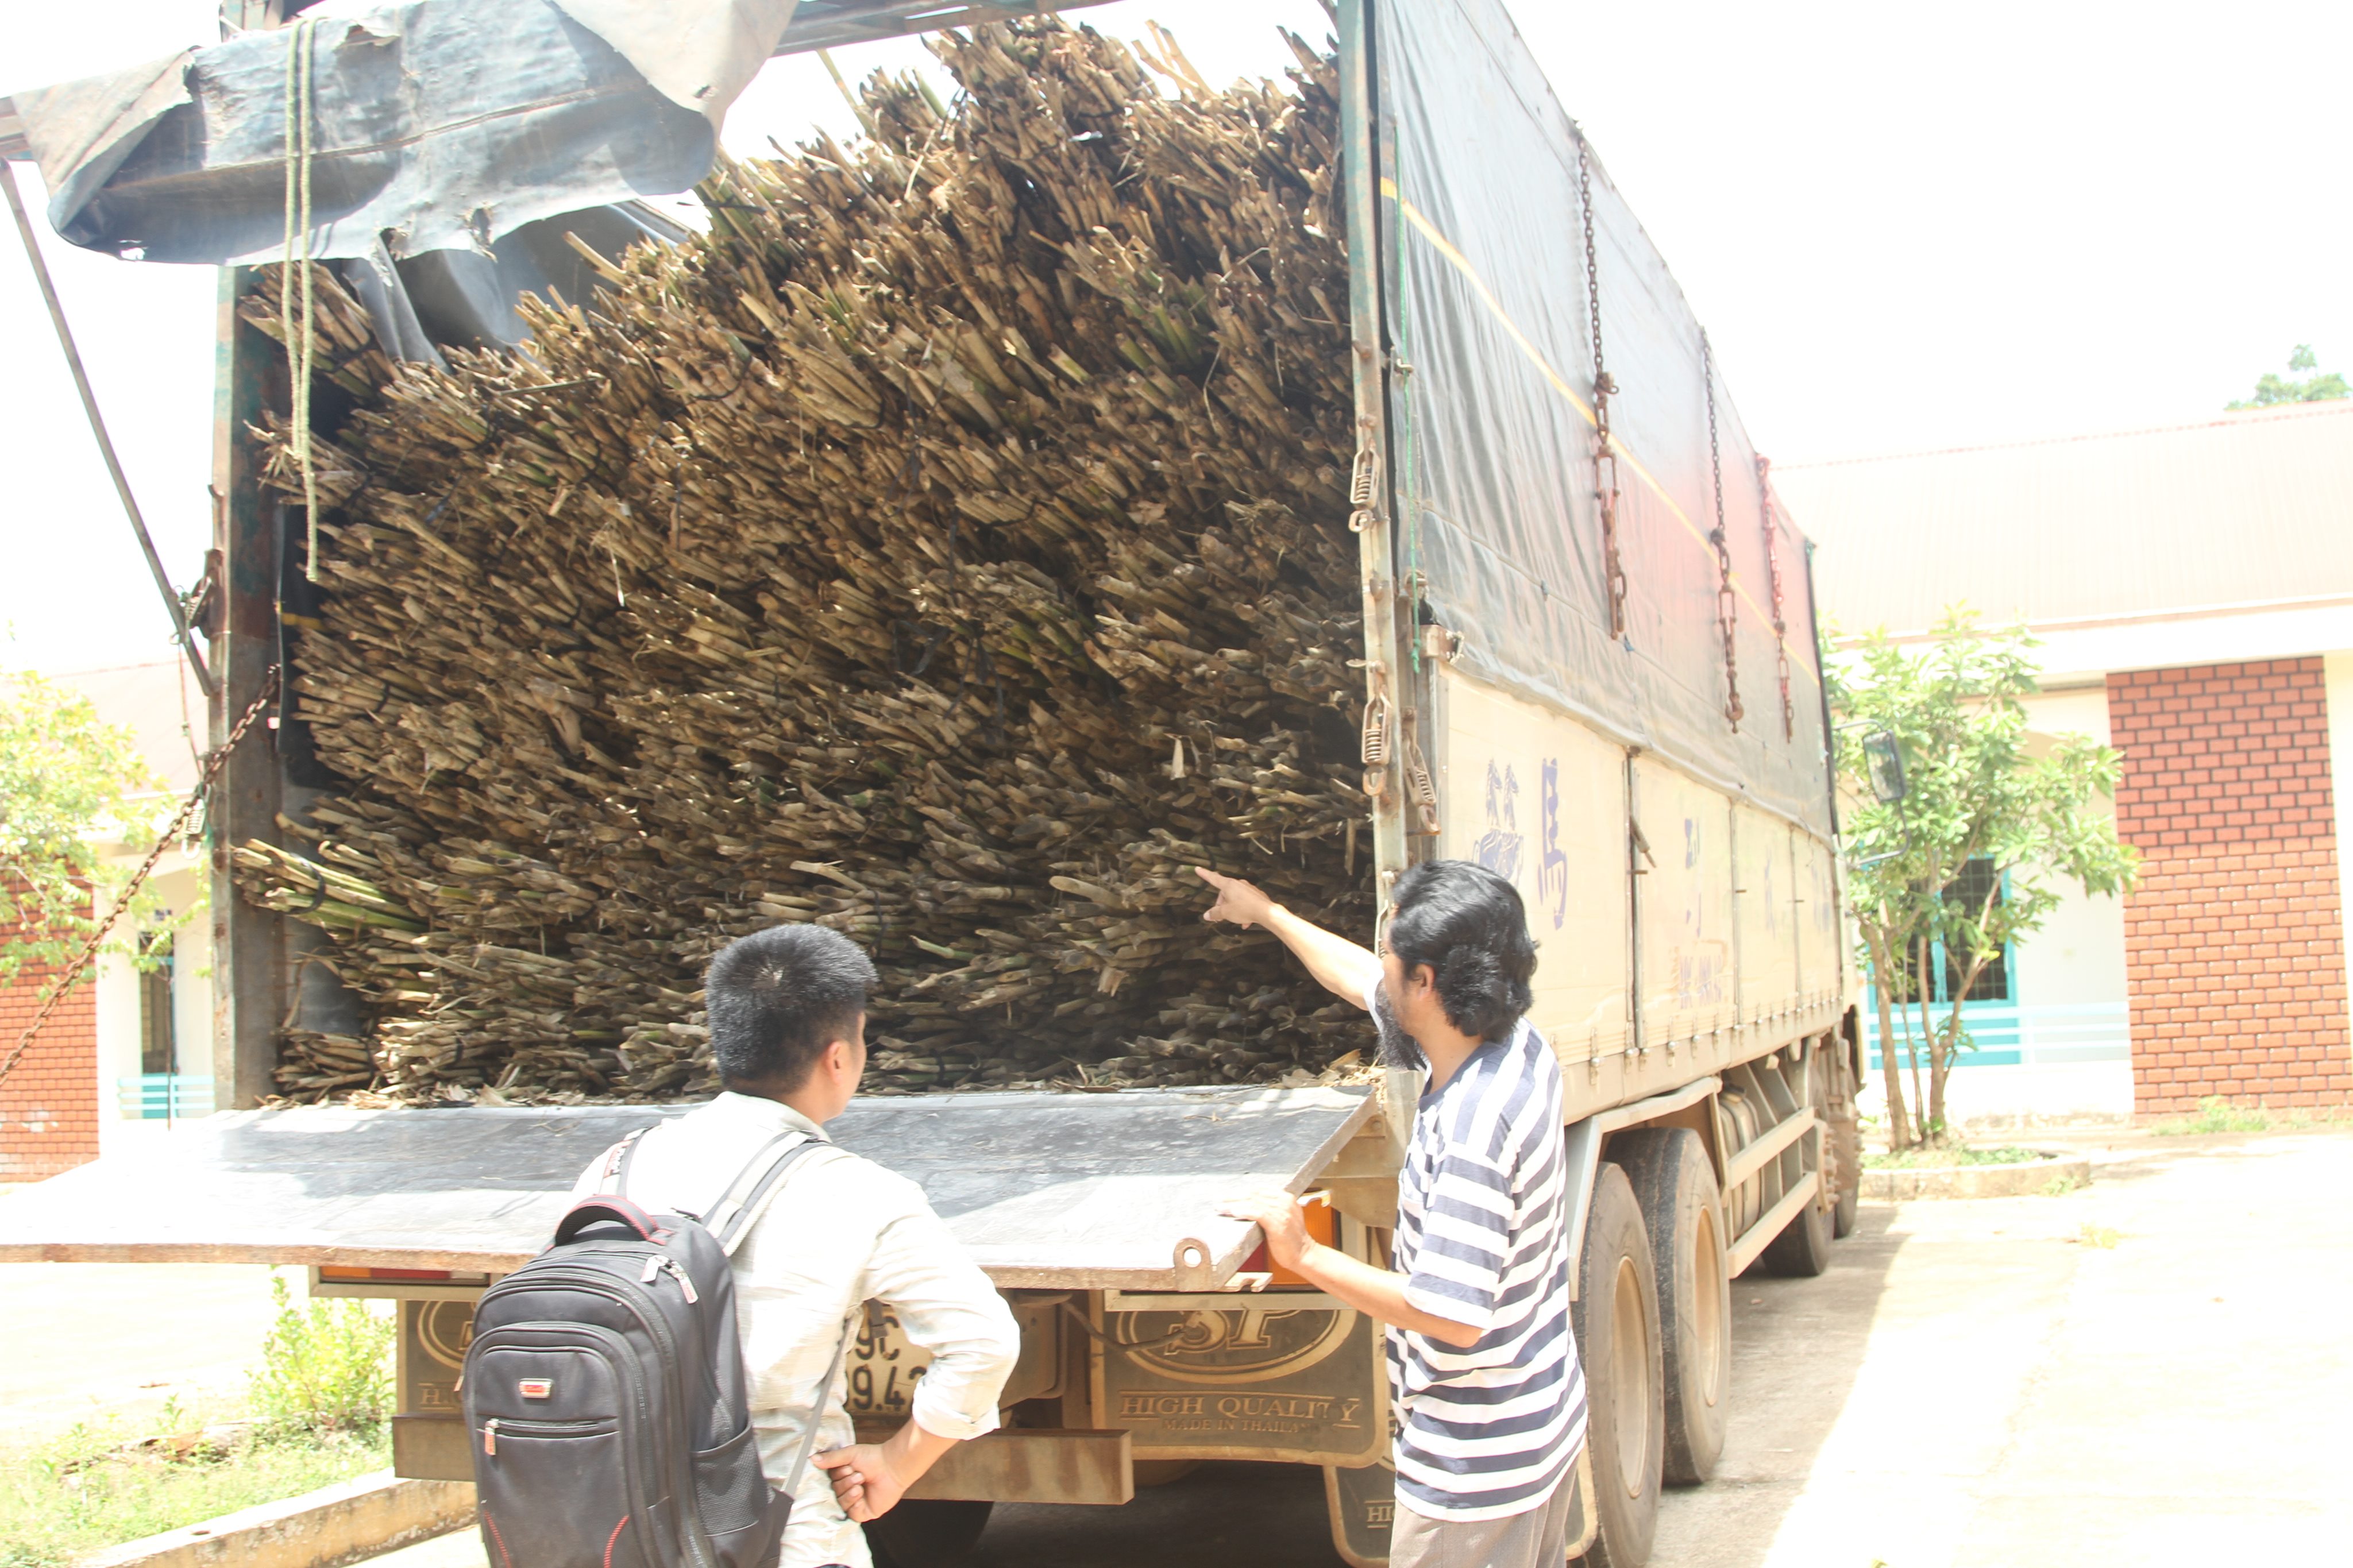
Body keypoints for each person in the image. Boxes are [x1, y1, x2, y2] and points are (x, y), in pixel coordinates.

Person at [573, 924, 1020, 1568]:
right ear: (838, 1057)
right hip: (776, 1529)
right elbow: (985, 1344)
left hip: (611, 1522)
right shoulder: (857, 1192)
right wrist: (898, 1464)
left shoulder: (617, 1166)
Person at [1205, 859, 1584, 1568]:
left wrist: (1305, 1255)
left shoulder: (1472, 1125)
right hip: (1535, 1426)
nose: (1378, 964)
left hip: (1473, 1475)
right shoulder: (1512, 1045)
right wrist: (1265, 912)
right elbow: (1353, 977)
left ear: (1426, 982)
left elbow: (1452, 1313)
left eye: (1390, 951)